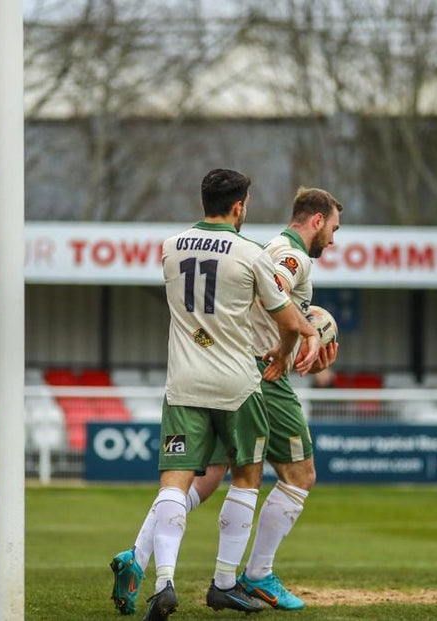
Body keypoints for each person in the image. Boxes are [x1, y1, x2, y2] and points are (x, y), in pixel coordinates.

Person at [112, 187, 341, 614]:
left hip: (202, 372)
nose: (334, 239)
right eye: (333, 229)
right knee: (299, 474)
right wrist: (305, 332)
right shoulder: (292, 256)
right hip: (258, 375)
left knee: (204, 476)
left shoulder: (248, 246)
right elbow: (277, 296)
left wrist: (312, 326)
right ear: (316, 221)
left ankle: (137, 556)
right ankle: (257, 575)